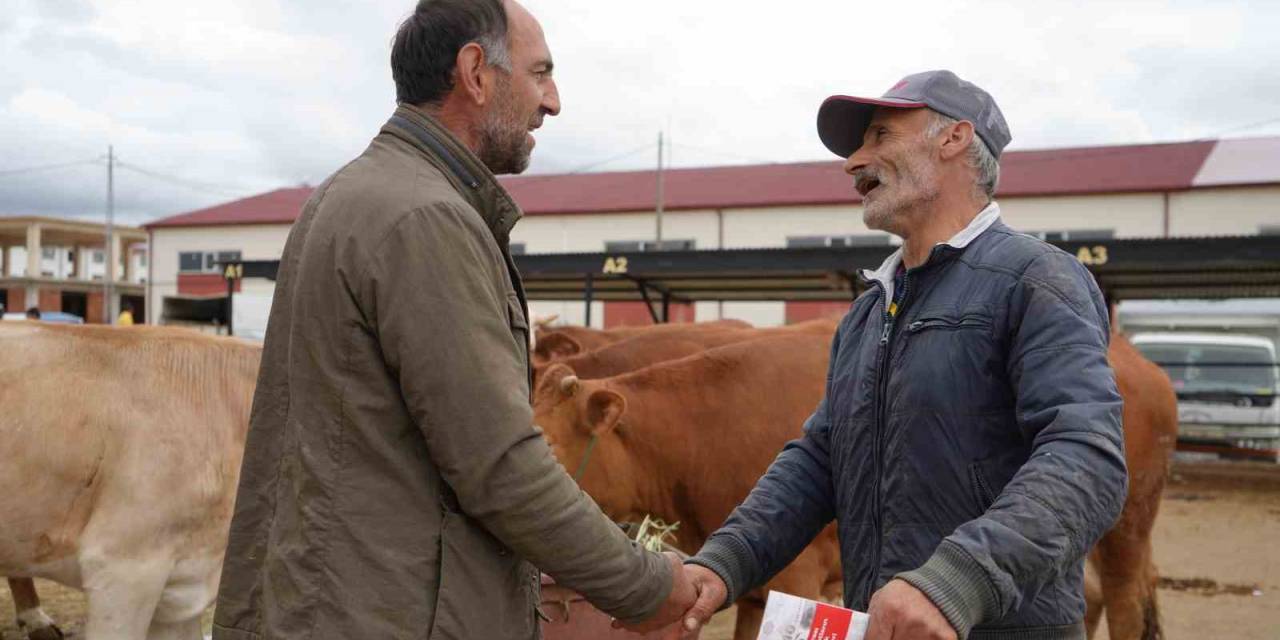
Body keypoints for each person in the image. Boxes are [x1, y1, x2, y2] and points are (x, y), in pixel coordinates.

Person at [212, 1, 693, 638]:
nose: (552, 101)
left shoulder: (350, 195)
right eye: (540, 72)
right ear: (475, 71)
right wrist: (645, 585)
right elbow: (500, 466)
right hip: (392, 613)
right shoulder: (425, 219)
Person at [678, 71, 1128, 640]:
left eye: (880, 136)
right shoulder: (869, 313)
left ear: (953, 139)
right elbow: (820, 460)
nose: (853, 162)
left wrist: (955, 582)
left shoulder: (1036, 280)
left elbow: (1087, 461)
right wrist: (725, 561)